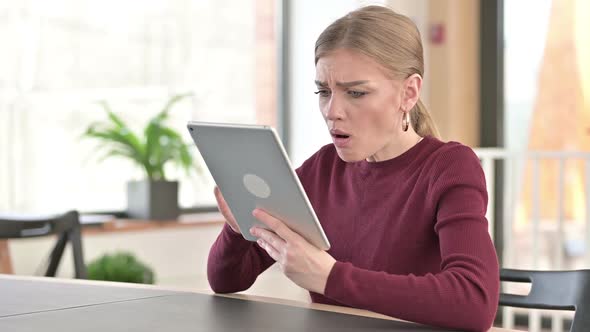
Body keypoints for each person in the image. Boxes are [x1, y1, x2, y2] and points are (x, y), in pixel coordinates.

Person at [207, 5, 499, 331]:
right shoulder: (322, 169)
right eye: (323, 91)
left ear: (409, 92)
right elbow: (226, 280)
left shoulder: (449, 167)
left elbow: (475, 303)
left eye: (356, 93)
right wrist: (237, 229)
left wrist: (330, 277)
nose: (333, 111)